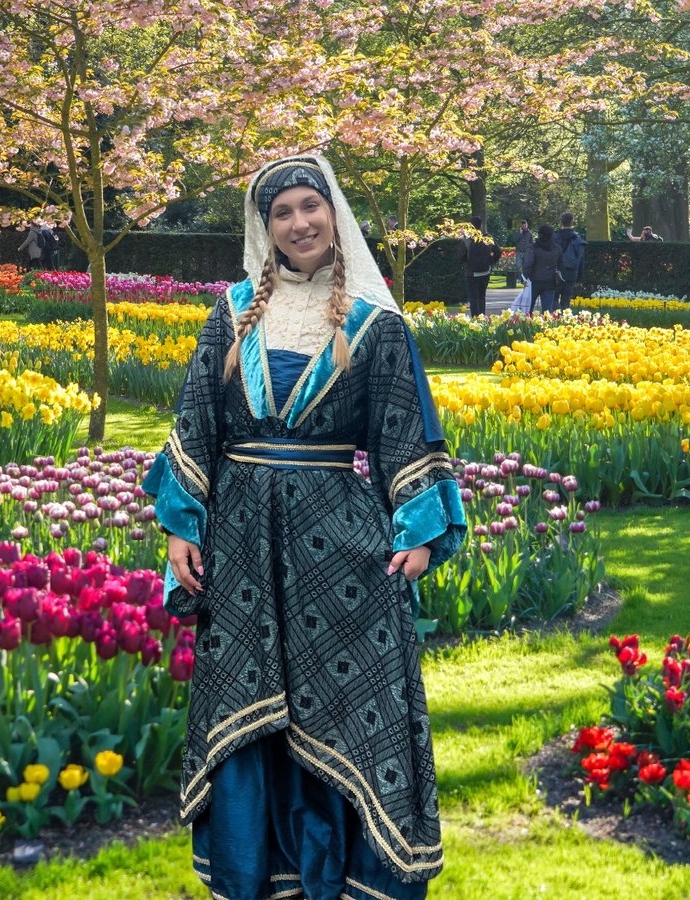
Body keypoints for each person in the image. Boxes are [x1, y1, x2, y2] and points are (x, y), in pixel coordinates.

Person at [141, 154, 465, 900]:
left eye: (308, 208)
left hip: (340, 555)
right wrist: (180, 527)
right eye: (282, 213)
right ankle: (260, 876)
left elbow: (404, 432)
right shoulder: (229, 312)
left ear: (332, 214)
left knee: (352, 708)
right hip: (241, 552)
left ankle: (348, 879)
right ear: (267, 228)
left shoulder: (377, 324)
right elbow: (194, 423)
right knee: (251, 717)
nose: (299, 223)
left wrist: (415, 531)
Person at [461, 217, 501, 317]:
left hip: (471, 273)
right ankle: (482, 318)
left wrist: (466, 264)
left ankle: (475, 319)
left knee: (473, 298)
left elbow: (461, 256)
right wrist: (491, 262)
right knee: (482, 296)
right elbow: (498, 252)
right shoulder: (488, 238)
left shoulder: (466, 240)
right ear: (481, 225)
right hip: (485, 271)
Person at [525, 223, 562, 313]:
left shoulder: (533, 247)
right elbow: (561, 264)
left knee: (528, 309)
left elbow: (528, 264)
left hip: (533, 281)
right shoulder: (556, 248)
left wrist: (525, 277)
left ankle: (526, 326)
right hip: (550, 282)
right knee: (547, 311)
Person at [554, 213, 587, 305]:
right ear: (572, 222)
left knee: (554, 298)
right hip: (571, 272)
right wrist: (580, 277)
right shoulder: (578, 239)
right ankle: (565, 317)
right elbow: (581, 260)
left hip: (556, 272)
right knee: (566, 299)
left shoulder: (554, 237)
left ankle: (553, 317)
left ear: (561, 222)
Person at [509, 219, 534, 313]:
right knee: (518, 266)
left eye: (525, 225)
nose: (523, 227)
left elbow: (531, 242)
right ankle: (520, 279)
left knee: (525, 266)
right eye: (522, 225)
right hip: (519, 251)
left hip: (527, 251)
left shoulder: (529, 233)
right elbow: (514, 240)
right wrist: (519, 234)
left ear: (527, 225)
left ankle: (525, 279)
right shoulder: (518, 233)